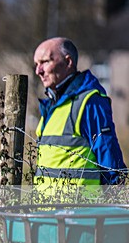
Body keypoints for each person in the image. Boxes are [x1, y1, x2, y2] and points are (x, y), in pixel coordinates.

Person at [33, 37, 125, 186]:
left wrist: (114, 197)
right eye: (36, 64)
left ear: (68, 62)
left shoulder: (89, 102)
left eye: (45, 62)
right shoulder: (51, 105)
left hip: (82, 201)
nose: (38, 71)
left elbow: (110, 162)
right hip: (46, 202)